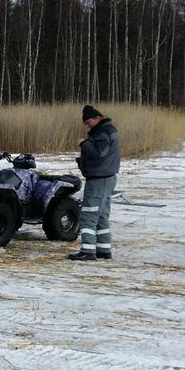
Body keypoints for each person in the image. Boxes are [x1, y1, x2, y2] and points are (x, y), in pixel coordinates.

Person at [68, 105, 121, 261]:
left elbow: (98, 153)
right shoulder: (109, 130)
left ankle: (88, 251)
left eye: (89, 121)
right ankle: (104, 250)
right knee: (102, 215)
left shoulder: (103, 132)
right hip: (107, 178)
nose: (88, 125)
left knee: (88, 216)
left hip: (98, 179)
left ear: (97, 117)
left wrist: (84, 144)